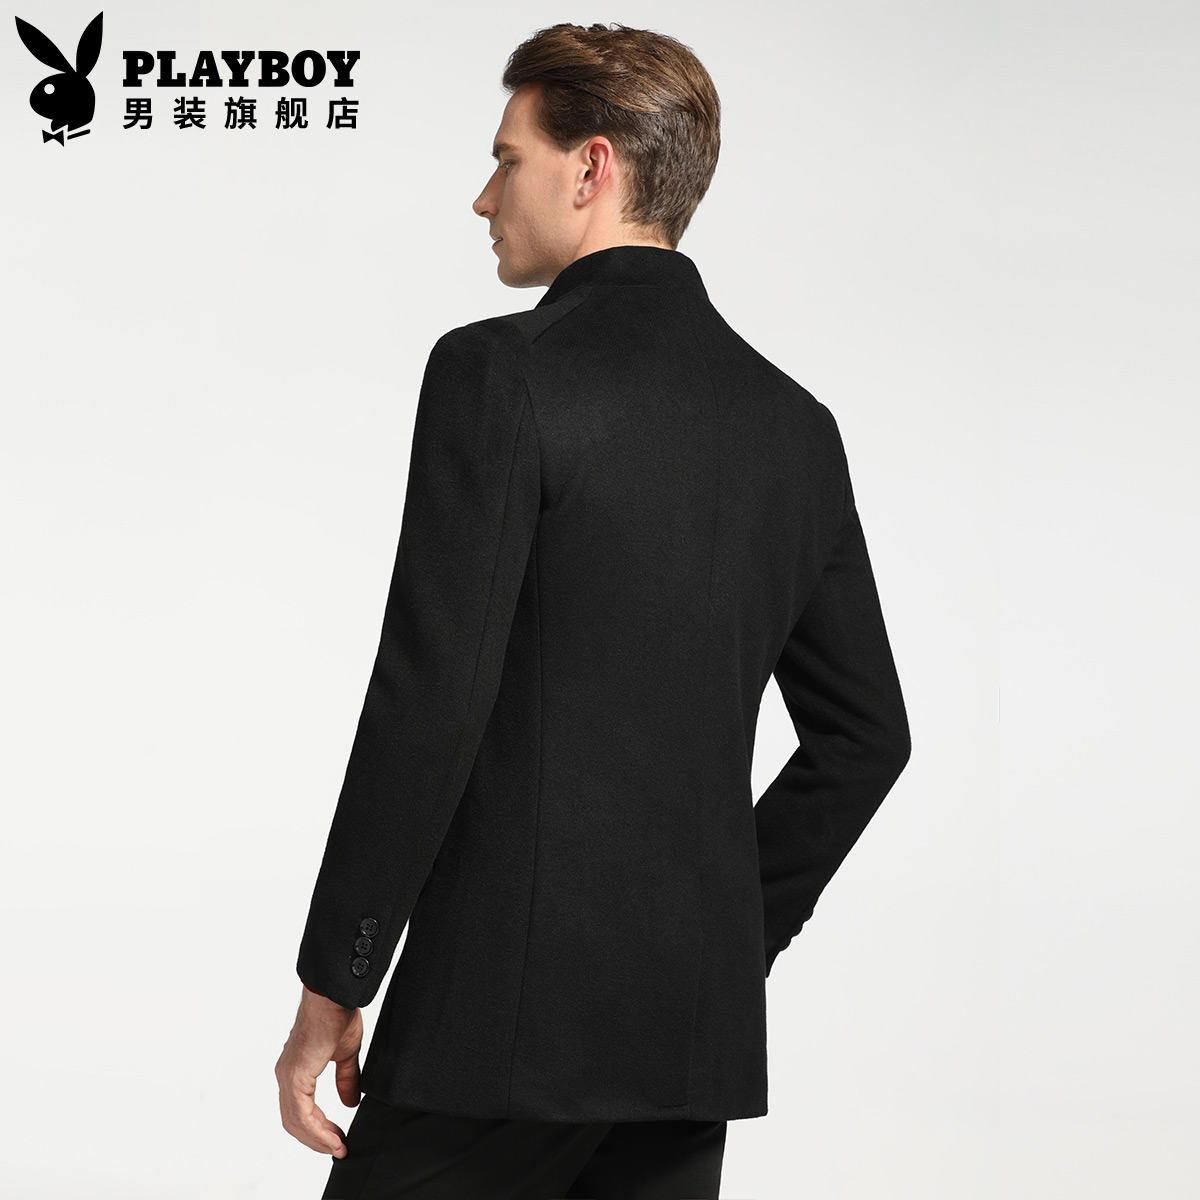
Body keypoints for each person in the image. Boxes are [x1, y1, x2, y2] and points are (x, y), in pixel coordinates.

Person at [275, 21, 911, 1200]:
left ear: (591, 166)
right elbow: (867, 736)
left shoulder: (497, 374)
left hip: (493, 1034)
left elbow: (430, 700)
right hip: (684, 1043)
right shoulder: (794, 428)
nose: (483, 198)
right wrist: (729, 938)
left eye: (506, 160)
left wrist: (336, 981)